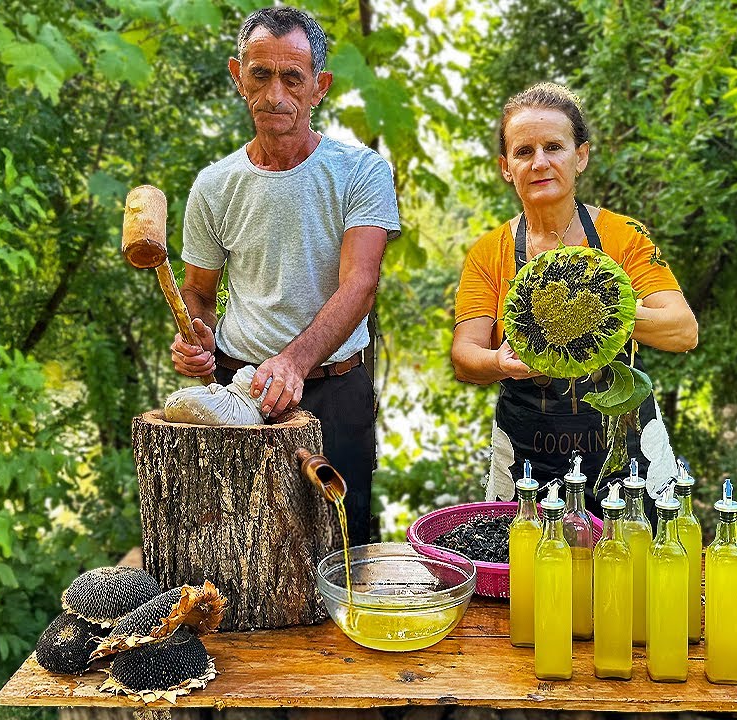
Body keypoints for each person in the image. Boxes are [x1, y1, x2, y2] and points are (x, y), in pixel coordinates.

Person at [170, 6, 400, 548]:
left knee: (340, 543)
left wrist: (293, 364)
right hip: (234, 390)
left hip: (334, 390)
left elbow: (360, 285)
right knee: (235, 548)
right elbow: (198, 293)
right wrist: (193, 333)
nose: (275, 95)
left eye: (292, 77)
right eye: (260, 74)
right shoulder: (214, 184)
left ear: (319, 87)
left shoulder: (361, 171)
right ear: (237, 75)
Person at [451, 82, 698, 518]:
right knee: (529, 574)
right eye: (524, 151)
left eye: (554, 147)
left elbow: (683, 330)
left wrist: (600, 309)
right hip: (527, 458)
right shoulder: (490, 251)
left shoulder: (624, 236)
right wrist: (499, 363)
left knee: (637, 575)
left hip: (629, 453)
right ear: (506, 167)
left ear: (579, 156)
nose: (540, 162)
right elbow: (465, 356)